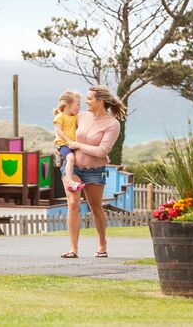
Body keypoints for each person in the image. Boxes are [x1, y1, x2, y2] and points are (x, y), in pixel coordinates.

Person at [60, 85, 125, 259]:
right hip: (72, 168)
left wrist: (78, 145)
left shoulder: (112, 124)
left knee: (95, 207)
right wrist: (61, 146)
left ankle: (102, 245)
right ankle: (73, 249)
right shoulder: (80, 116)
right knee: (73, 203)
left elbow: (102, 151)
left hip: (95, 171)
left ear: (100, 101)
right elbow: (63, 126)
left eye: (89, 98)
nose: (85, 102)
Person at [53, 91, 85, 192]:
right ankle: (70, 182)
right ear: (68, 105)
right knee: (70, 158)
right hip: (62, 144)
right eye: (78, 104)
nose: (79, 107)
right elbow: (58, 130)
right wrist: (68, 141)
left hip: (72, 143)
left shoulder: (75, 117)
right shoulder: (60, 116)